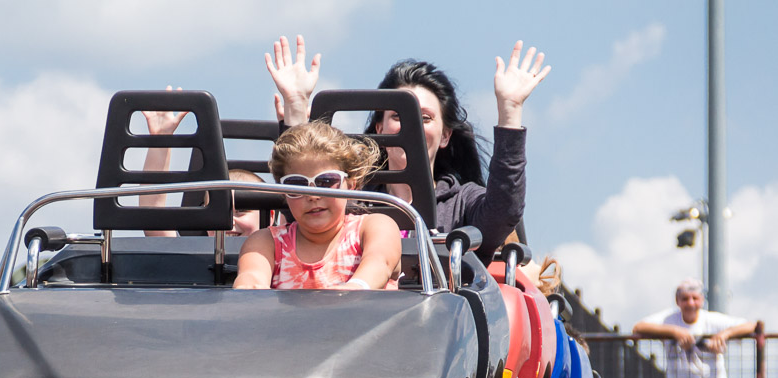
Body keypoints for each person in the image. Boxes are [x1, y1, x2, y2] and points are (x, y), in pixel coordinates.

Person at [266, 36, 550, 260]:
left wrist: (509, 113)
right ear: (379, 128)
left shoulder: (462, 202)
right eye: (398, 117)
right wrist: (296, 106)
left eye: (424, 119)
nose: (410, 128)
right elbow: (301, 204)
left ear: (445, 136)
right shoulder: (353, 199)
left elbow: (503, 212)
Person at [233, 120, 401, 290]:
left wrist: (353, 288)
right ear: (283, 191)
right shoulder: (266, 242)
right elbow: (251, 283)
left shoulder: (374, 227)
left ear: (351, 185)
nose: (312, 195)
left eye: (326, 181)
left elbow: (380, 262)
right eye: (296, 184)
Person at [138, 89, 263, 238]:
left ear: (270, 215)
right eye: (217, 211)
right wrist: (161, 139)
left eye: (241, 211)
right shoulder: (191, 255)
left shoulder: (282, 254)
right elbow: (152, 217)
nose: (229, 221)